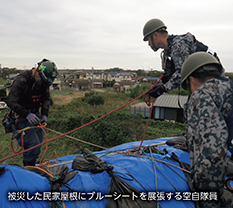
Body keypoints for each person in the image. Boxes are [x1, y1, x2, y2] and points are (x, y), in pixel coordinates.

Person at [181, 52, 233, 208]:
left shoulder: (202, 95)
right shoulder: (228, 88)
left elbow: (212, 151)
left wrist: (207, 197)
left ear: (192, 79)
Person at [143, 18, 223, 98]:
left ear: (156, 35)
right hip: (200, 85)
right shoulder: (168, 52)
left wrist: (163, 88)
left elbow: (182, 73)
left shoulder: (178, 45)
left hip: (212, 84)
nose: (149, 44)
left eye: (148, 40)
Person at [6, 58, 58, 166]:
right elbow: (11, 101)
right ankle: (28, 167)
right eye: (41, 81)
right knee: (33, 145)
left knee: (39, 142)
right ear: (37, 72)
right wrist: (26, 114)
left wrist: (44, 113)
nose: (42, 84)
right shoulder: (22, 80)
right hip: (22, 116)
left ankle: (32, 163)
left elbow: (46, 99)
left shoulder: (43, 82)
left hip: (35, 115)